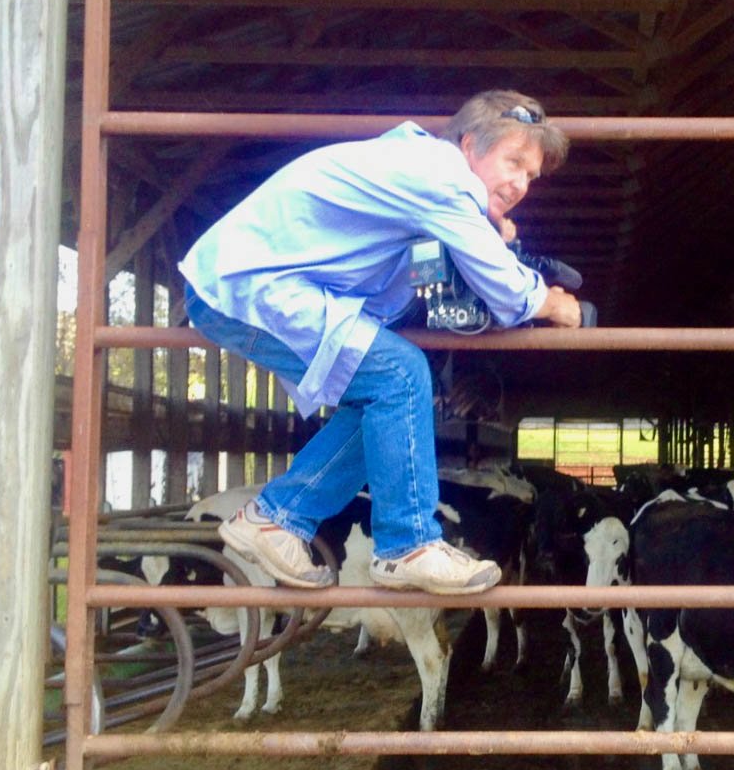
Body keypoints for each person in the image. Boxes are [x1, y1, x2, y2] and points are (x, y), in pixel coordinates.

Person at [179, 89, 580, 594]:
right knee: (400, 374)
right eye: (513, 162)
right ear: (471, 144)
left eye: (531, 175)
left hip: (263, 283)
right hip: (248, 284)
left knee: (388, 401)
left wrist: (482, 231)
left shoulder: (427, 176)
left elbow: (426, 271)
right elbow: (504, 289)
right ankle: (406, 545)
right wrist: (554, 304)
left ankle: (276, 518)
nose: (520, 183)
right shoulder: (440, 179)